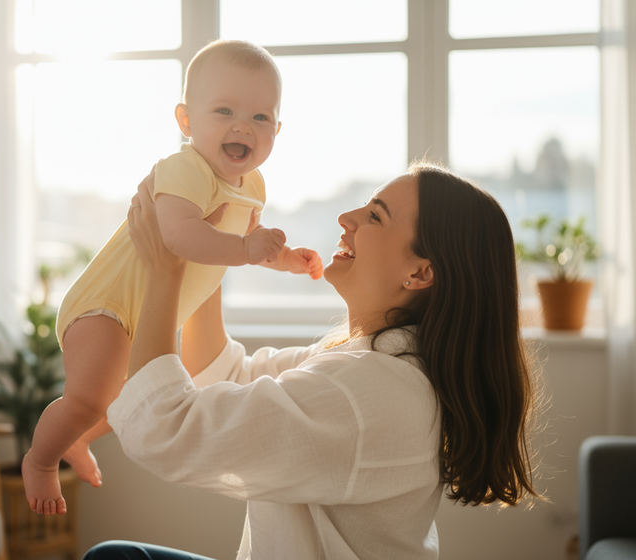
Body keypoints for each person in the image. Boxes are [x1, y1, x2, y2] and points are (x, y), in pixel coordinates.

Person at [85, 162, 544, 559]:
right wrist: (212, 249)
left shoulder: (367, 391)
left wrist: (165, 271)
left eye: (374, 217)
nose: (346, 218)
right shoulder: (373, 359)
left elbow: (165, 429)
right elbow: (223, 374)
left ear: (420, 272)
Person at [22, 39, 324, 515]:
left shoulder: (253, 185)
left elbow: (239, 237)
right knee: (88, 398)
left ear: (277, 129)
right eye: (224, 110)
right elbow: (180, 237)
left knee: (120, 400)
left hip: (140, 318)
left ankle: (77, 442)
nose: (243, 126)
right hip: (106, 306)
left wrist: (280, 257)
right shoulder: (187, 169)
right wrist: (246, 249)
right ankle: (40, 461)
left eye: (260, 118)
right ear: (186, 121)